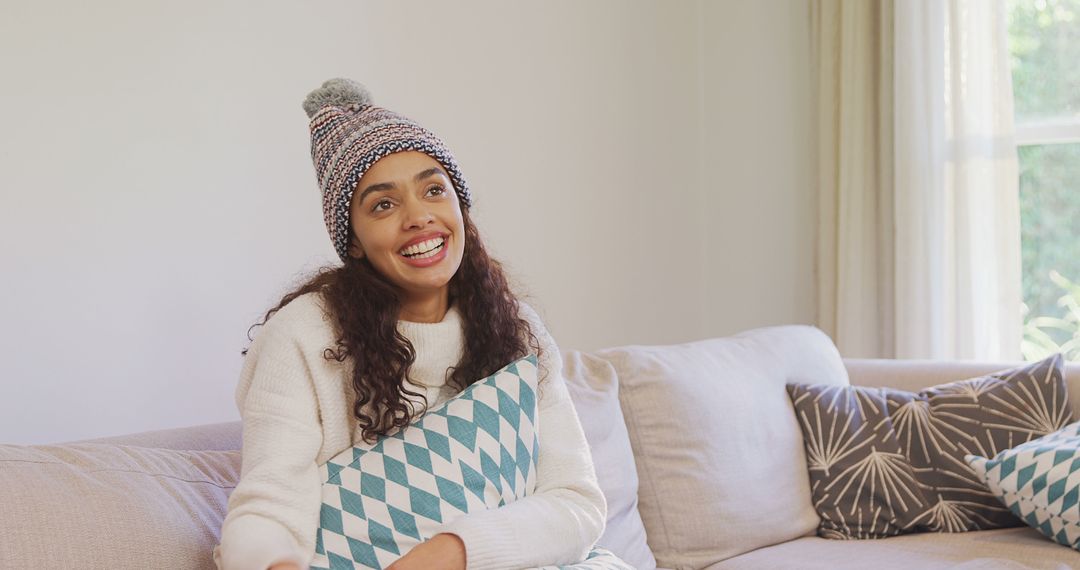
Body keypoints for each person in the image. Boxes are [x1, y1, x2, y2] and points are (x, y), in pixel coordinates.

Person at [213, 78, 607, 570]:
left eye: (434, 190)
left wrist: (453, 552)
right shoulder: (302, 336)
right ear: (352, 239)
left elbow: (577, 504)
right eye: (383, 204)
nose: (419, 216)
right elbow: (268, 508)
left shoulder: (518, 330)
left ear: (459, 208)